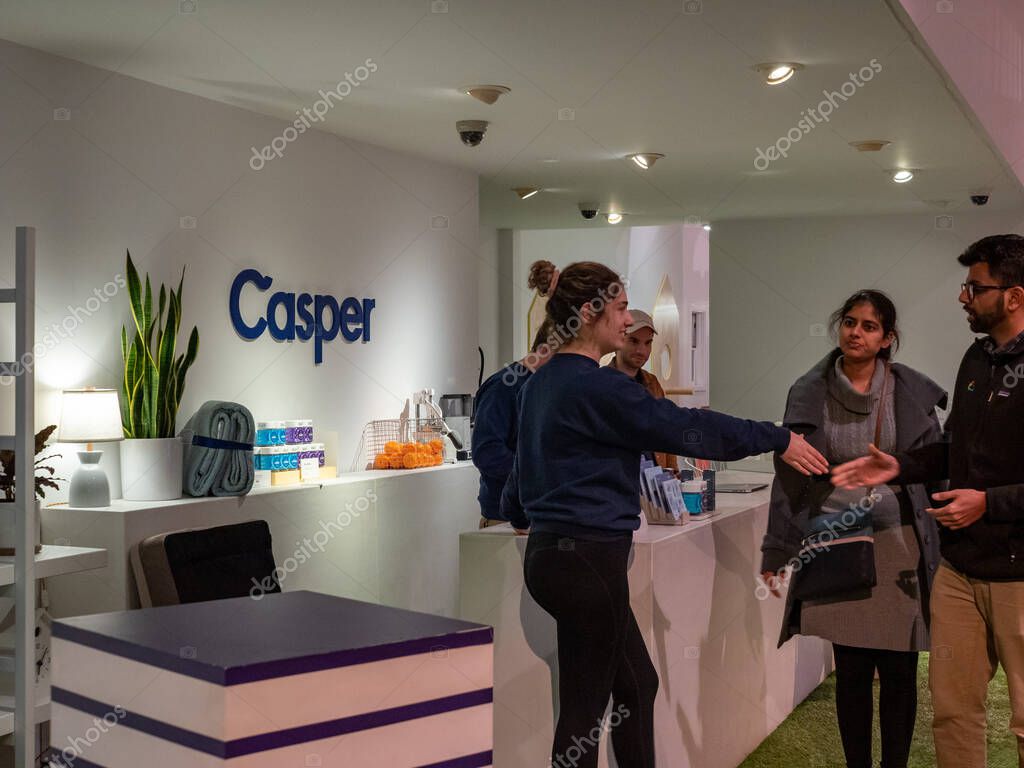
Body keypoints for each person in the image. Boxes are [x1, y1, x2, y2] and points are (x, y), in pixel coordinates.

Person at [500, 258, 828, 768]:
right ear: (590, 313)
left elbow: (515, 489)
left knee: (637, 686)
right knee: (585, 712)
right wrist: (777, 436)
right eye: (621, 307)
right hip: (588, 562)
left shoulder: (538, 384)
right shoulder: (599, 387)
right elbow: (687, 428)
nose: (629, 321)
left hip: (555, 559)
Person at [833, 235, 1024, 768]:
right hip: (960, 569)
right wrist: (902, 466)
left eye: (975, 287)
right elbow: (955, 449)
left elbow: (989, 487)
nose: (963, 297)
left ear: (1013, 296)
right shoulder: (977, 358)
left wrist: (990, 503)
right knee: (954, 713)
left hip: (1019, 575)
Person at [760, 289, 946, 768]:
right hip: (837, 540)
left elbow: (935, 467)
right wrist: (777, 549)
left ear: (887, 339)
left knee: (901, 668)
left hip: (900, 544)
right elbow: (789, 475)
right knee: (853, 669)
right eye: (849, 322)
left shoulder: (908, 392)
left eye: (868, 326)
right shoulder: (810, 390)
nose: (856, 333)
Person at [472, 318, 557, 527]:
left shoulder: (538, 385)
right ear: (546, 349)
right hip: (505, 521)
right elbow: (486, 453)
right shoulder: (503, 386)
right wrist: (539, 475)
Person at [605, 310, 679, 471]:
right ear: (618, 340)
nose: (642, 350)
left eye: (648, 343)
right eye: (634, 341)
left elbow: (666, 432)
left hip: (655, 482)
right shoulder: (601, 384)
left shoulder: (652, 383)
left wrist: (674, 473)